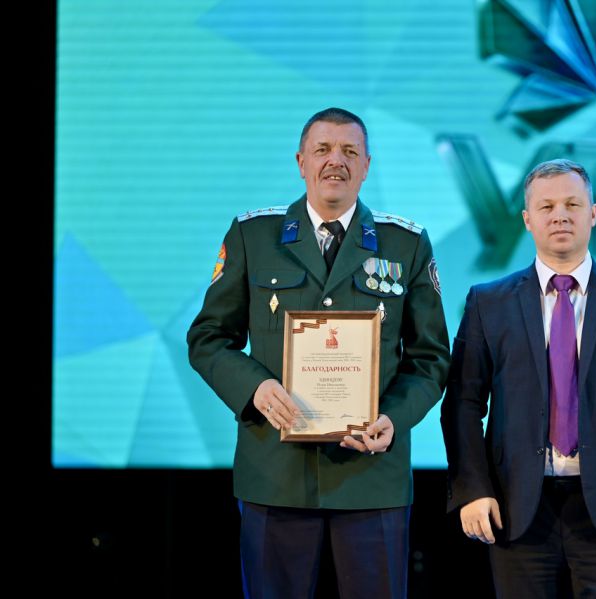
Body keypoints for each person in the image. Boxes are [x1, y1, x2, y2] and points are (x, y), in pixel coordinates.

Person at [187, 107, 450, 598]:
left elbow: (430, 357)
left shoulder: (406, 244)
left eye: (350, 151)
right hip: (275, 475)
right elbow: (208, 338)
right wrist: (255, 388)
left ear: (367, 166)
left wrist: (393, 418)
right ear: (301, 162)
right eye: (323, 150)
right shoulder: (253, 236)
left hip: (372, 476)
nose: (336, 161)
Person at [441, 159, 596, 598]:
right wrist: (472, 489)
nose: (560, 216)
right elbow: (462, 404)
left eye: (572, 204)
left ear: (593, 214)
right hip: (515, 508)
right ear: (527, 219)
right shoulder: (487, 303)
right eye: (547, 206)